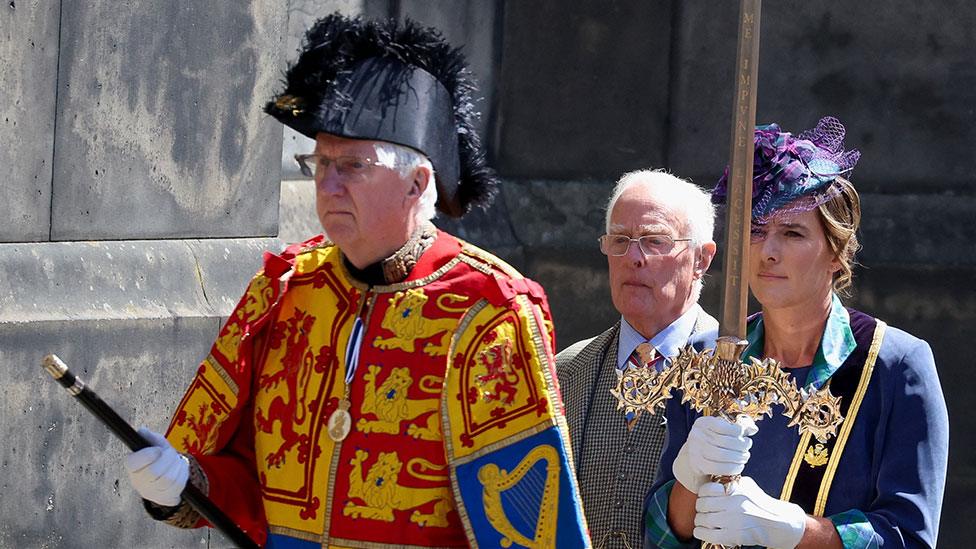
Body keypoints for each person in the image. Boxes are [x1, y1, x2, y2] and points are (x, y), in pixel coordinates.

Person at [122, 13, 589, 548]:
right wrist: (186, 481)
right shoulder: (286, 289)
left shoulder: (488, 312)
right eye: (319, 163)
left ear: (417, 183)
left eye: (352, 166)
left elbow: (527, 527)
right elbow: (252, 483)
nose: (329, 184)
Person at [644, 117, 949, 548]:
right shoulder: (706, 358)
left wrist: (792, 530)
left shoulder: (894, 365)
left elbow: (910, 537)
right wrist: (689, 476)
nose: (768, 252)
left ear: (837, 254)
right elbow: (661, 534)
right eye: (756, 231)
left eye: (792, 233)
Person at [556, 169, 719, 548]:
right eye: (620, 240)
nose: (633, 257)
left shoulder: (737, 374)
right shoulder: (566, 371)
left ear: (701, 258)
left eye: (654, 240)